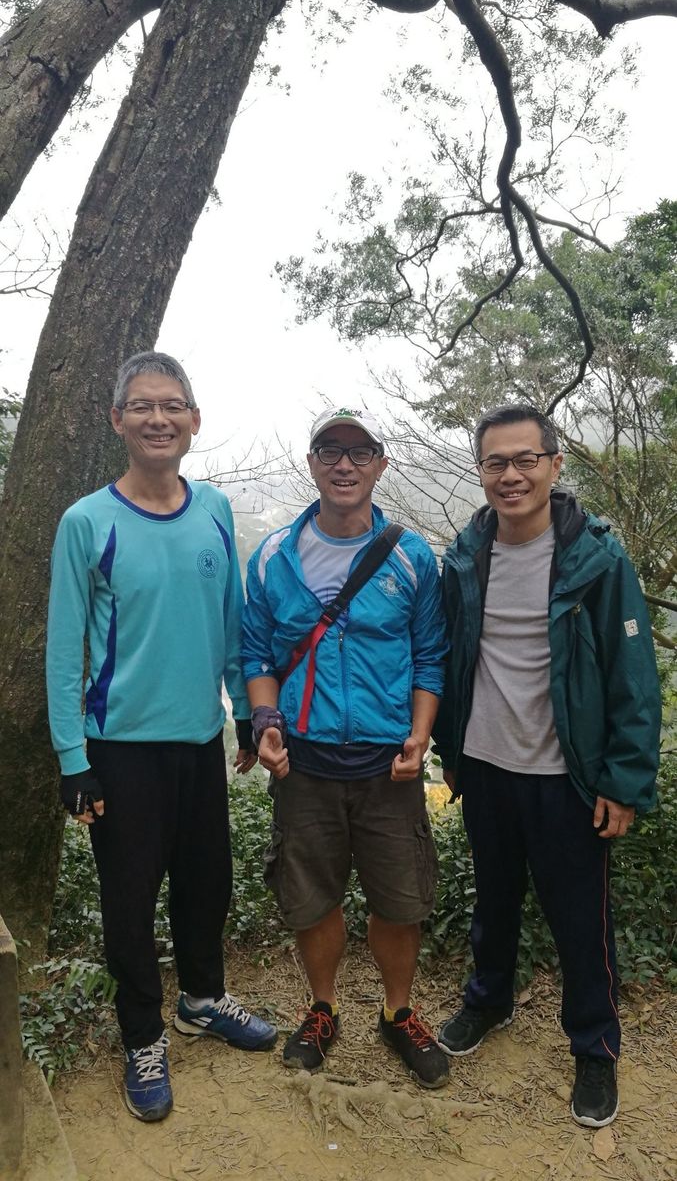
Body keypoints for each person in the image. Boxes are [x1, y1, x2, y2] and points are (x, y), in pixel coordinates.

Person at [46, 351, 277, 1123]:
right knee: (129, 903)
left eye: (172, 405)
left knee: (207, 883)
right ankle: (142, 1036)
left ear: (193, 420)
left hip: (198, 738)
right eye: (141, 406)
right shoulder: (87, 522)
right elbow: (64, 650)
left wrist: (243, 712)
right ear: (118, 420)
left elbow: (232, 620)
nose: (158, 418)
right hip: (120, 749)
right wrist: (73, 759)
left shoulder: (212, 509)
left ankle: (202, 999)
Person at [432, 403, 661, 1128]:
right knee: (493, 902)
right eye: (495, 462)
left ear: (554, 465)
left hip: (568, 776)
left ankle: (594, 1046)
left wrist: (623, 780)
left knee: (579, 921)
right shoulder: (466, 558)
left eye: (525, 459)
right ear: (480, 471)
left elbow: (632, 678)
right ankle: (489, 1000)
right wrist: (448, 753)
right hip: (485, 765)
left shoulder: (597, 560)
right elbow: (450, 660)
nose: (511, 475)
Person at [242, 407, 449, 1088]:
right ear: (311, 464)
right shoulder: (273, 557)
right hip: (303, 763)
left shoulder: (410, 556)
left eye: (359, 453)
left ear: (380, 465)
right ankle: (322, 1008)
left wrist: (420, 734)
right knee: (313, 898)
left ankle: (397, 1013)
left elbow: (429, 654)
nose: (344, 464)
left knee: (399, 901)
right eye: (329, 450)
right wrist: (265, 721)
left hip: (388, 765)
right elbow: (257, 653)